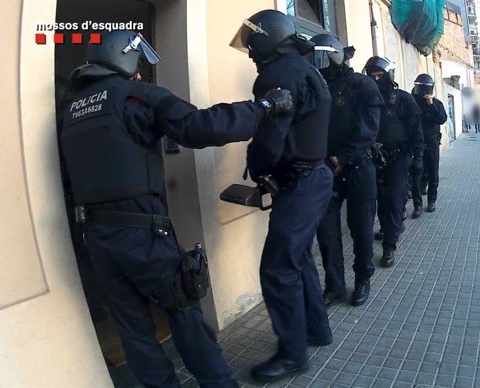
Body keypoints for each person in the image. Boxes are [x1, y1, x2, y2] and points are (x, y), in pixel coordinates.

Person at [58, 30, 294, 388]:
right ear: (125, 60)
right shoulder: (136, 96)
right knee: (183, 310)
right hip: (143, 234)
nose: (139, 72)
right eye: (137, 65)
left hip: (97, 239)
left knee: (133, 331)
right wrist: (261, 108)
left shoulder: (70, 110)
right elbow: (199, 127)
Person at [230, 10, 333, 383]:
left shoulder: (277, 75)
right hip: (315, 177)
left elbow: (270, 137)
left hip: (299, 183)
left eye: (252, 44)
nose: (250, 53)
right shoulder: (303, 68)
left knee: (277, 268)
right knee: (299, 258)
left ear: (266, 39)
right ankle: (317, 329)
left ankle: (293, 354)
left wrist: (258, 170)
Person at [310, 34, 383, 307]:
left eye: (321, 56)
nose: (317, 63)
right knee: (326, 232)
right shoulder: (315, 86)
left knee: (361, 229)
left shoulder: (361, 85)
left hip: (358, 167)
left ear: (334, 55)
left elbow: (367, 132)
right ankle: (334, 286)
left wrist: (340, 157)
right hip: (326, 170)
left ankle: (362, 279)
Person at [364, 56, 423, 267]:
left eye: (380, 75)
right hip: (373, 158)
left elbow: (416, 132)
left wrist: (418, 159)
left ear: (388, 76)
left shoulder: (404, 100)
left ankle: (390, 246)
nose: (376, 79)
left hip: (398, 158)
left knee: (396, 202)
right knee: (380, 200)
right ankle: (389, 228)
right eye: (372, 76)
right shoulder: (365, 99)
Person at [412, 74, 447, 214]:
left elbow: (441, 119)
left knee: (433, 173)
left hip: (432, 142)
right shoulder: (412, 102)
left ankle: (431, 201)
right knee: (416, 174)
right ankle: (417, 205)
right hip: (417, 143)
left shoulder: (436, 103)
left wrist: (431, 105)